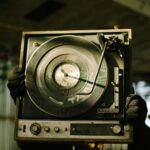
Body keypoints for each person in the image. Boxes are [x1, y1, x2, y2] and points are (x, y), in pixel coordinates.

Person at [7, 66, 150, 150]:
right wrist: (24, 105)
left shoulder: (121, 128)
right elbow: (30, 145)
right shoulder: (64, 116)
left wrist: (138, 131)